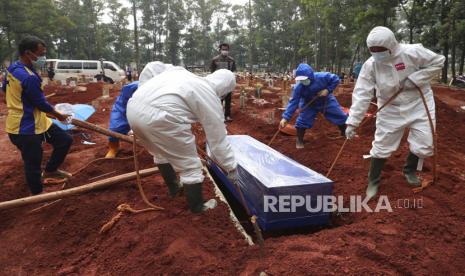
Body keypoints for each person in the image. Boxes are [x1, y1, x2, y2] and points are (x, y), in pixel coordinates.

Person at [345, 26, 445, 200]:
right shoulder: (370, 66)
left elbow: (438, 61)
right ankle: (373, 181)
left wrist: (416, 79)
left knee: (425, 142)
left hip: (418, 102)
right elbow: (362, 93)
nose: (376, 53)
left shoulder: (412, 52)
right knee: (383, 143)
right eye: (373, 50)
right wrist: (353, 122)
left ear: (391, 45)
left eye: (380, 50)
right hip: (390, 107)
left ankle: (409, 170)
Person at [127, 68, 238, 213]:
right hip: (162, 118)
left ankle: (174, 188)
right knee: (190, 166)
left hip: (133, 109)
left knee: (160, 153)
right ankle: (198, 207)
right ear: (225, 89)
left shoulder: (185, 75)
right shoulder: (209, 94)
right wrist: (231, 168)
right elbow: (217, 141)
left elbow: (153, 69)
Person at [1, 36, 73, 195]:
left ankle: (51, 170)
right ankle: (38, 195)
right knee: (32, 162)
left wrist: (22, 101)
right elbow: (41, 104)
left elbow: (5, 90)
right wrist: (59, 115)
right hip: (25, 128)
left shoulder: (13, 69)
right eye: (41, 54)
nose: (43, 57)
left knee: (64, 140)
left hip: (39, 121)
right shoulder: (29, 77)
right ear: (28, 53)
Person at [105, 61, 172, 158]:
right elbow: (123, 103)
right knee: (116, 126)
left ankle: (164, 146)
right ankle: (113, 148)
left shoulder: (166, 89)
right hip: (124, 106)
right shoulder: (132, 87)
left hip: (151, 108)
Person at [280, 63, 348, 149]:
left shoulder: (322, 77)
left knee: (339, 115)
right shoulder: (298, 87)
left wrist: (327, 90)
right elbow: (293, 102)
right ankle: (299, 140)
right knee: (302, 120)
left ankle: (344, 133)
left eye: (305, 79)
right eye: (301, 80)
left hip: (326, 100)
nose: (303, 81)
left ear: (310, 75)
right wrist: (285, 118)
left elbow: (335, 79)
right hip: (309, 104)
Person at [210, 43, 236, 122]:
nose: (225, 51)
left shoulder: (231, 60)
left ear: (228, 50)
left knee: (228, 100)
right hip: (218, 84)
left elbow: (233, 71)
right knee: (218, 100)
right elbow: (212, 72)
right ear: (220, 50)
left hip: (228, 83)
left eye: (226, 50)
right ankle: (219, 116)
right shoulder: (215, 60)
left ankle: (227, 115)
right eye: (223, 49)